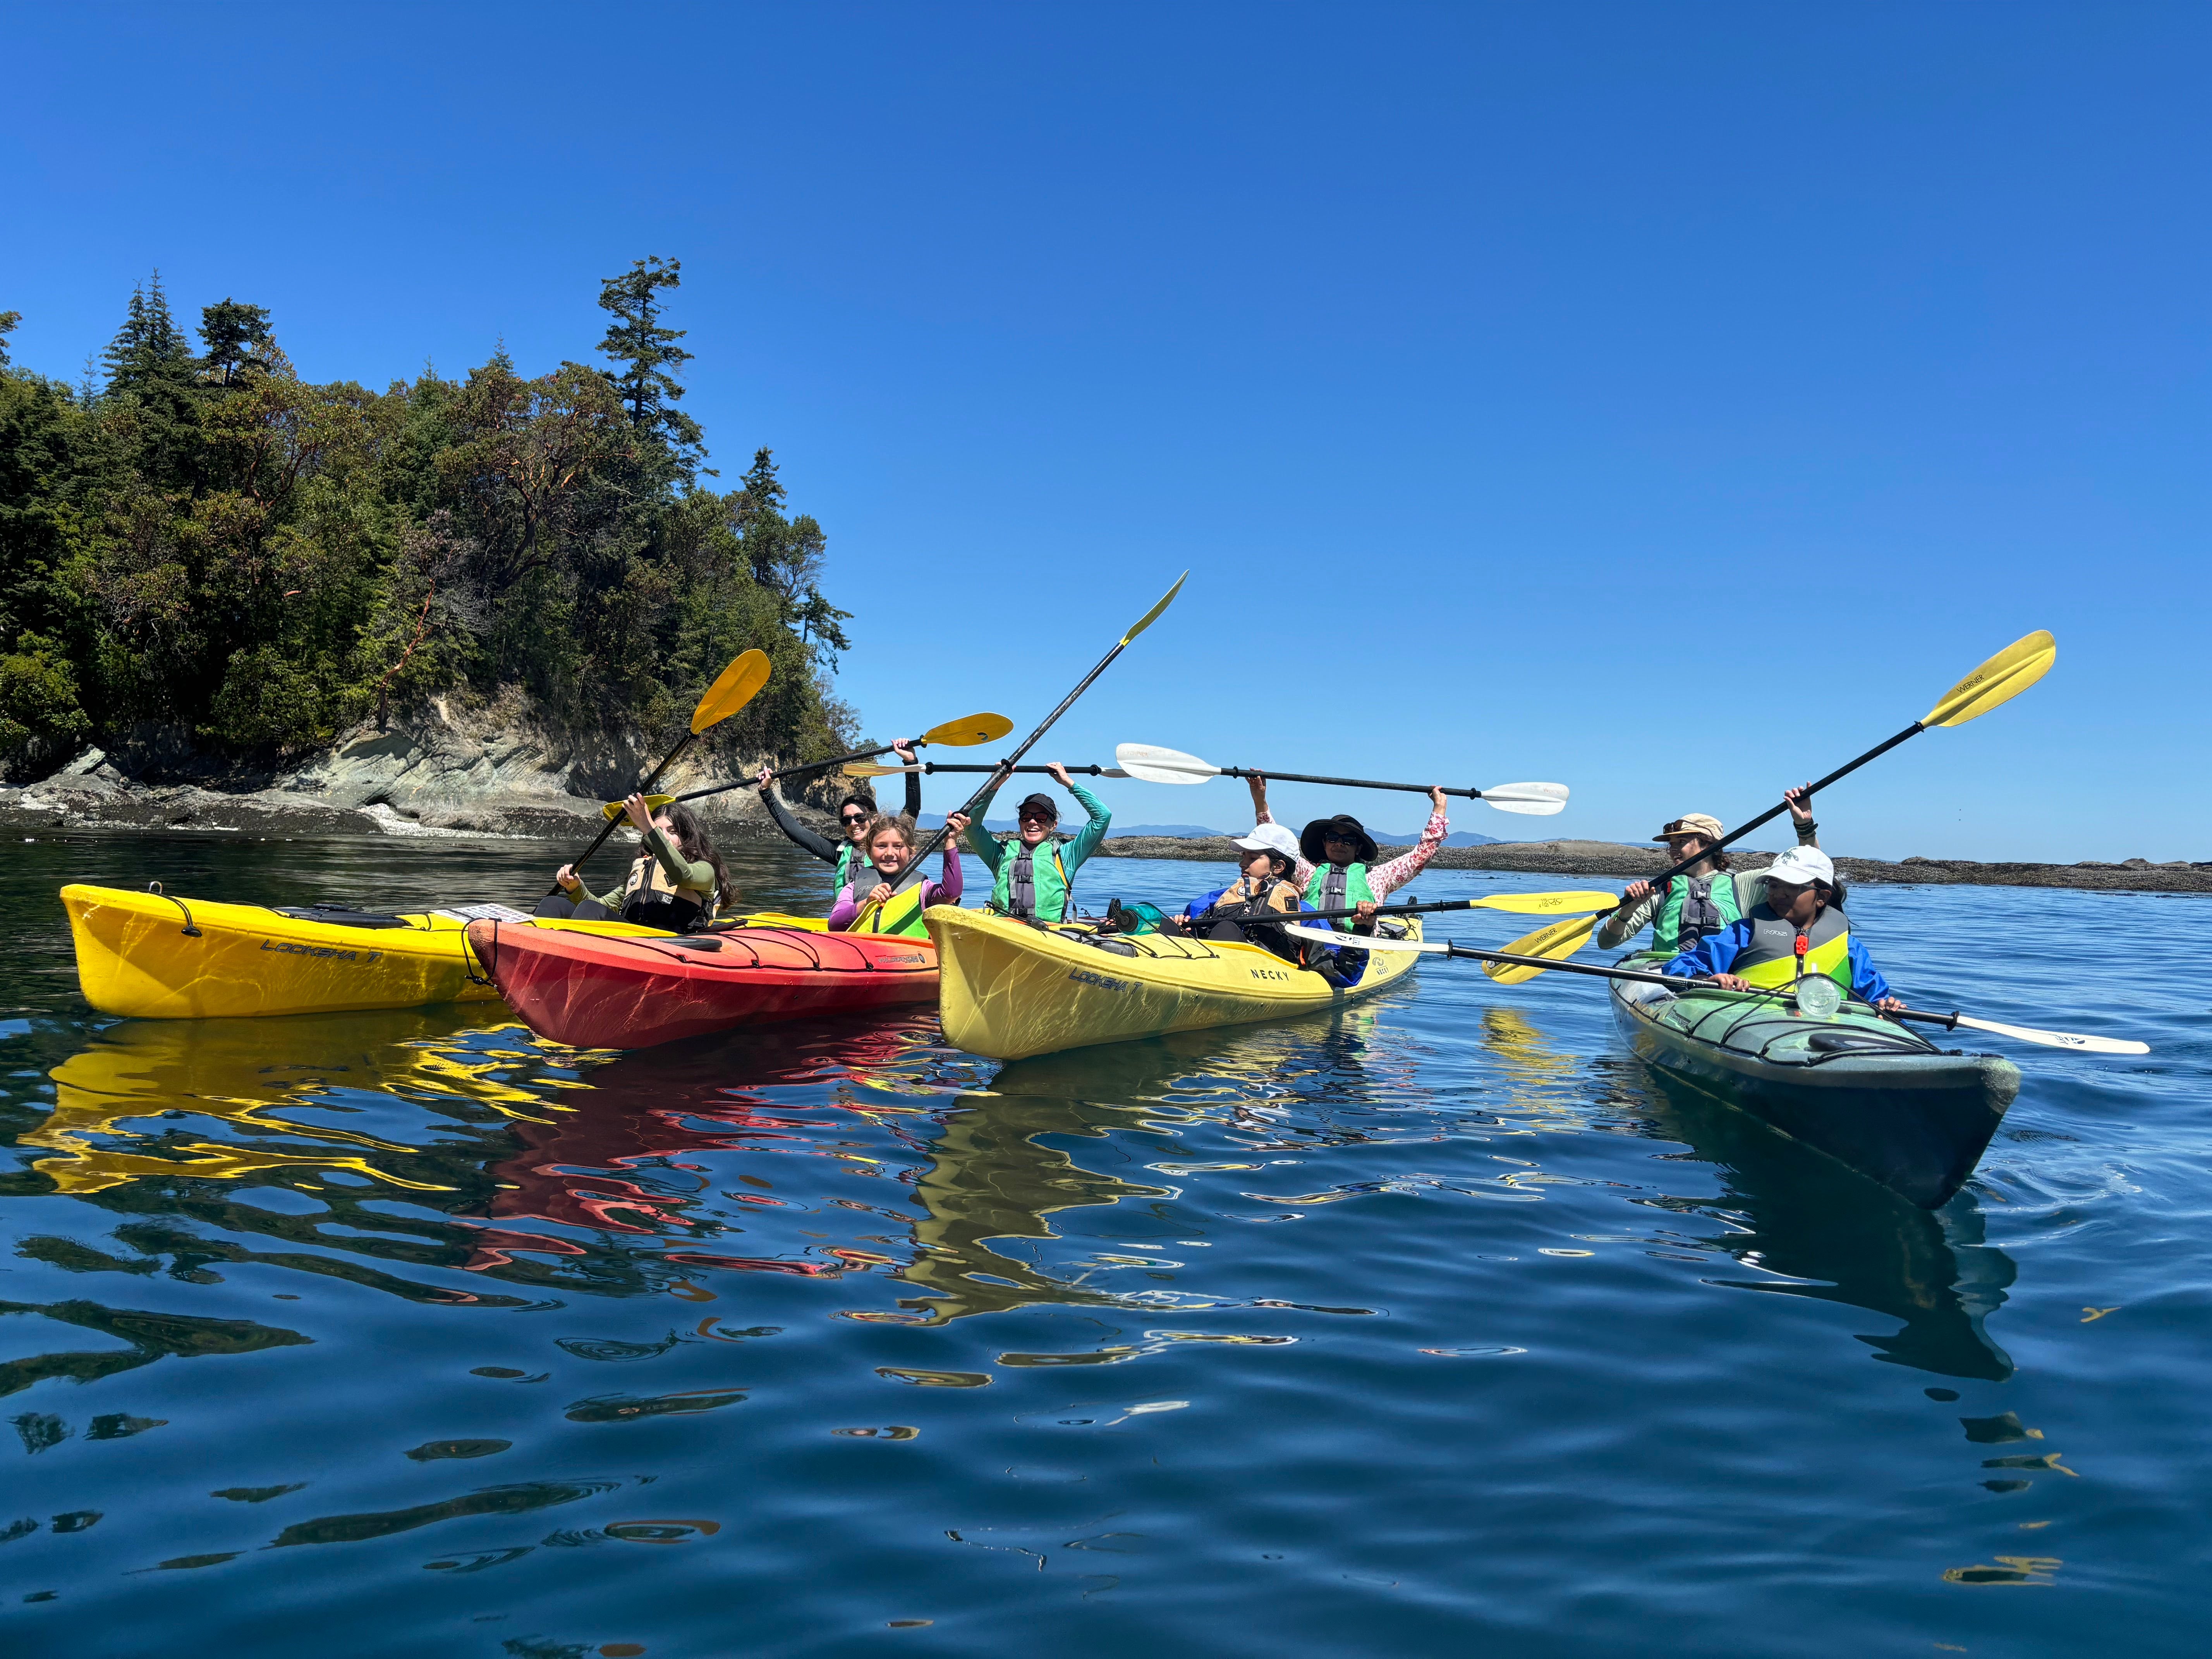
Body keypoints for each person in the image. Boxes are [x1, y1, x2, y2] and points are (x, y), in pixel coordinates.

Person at [1659, 845, 1903, 1013]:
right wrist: (1708, 978)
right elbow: (1679, 966)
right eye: (1773, 885)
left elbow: (1874, 997)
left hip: (1829, 1029)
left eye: (1792, 887)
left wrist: (1886, 1006)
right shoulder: (1743, 932)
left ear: (1822, 897)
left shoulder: (1850, 948)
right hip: (1748, 1024)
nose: (1778, 894)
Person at [1596, 787, 1821, 955]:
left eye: (1681, 841)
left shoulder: (1743, 885)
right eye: (1671, 844)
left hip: (1722, 980)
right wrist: (1630, 907)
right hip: (1667, 976)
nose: (1673, 849)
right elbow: (1606, 943)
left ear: (1707, 845)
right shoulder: (1659, 890)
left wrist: (1804, 827)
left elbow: (1809, 868)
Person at [541, 794, 735, 932]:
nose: (665, 837)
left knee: (590, 911)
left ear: (687, 836)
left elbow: (682, 874)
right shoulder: (640, 871)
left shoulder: (704, 870)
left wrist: (648, 826)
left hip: (669, 943)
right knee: (552, 904)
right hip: (633, 940)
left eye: (672, 831)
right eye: (659, 830)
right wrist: (576, 888)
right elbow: (601, 905)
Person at [1160, 822, 1337, 973]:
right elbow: (1194, 926)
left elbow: (1337, 964)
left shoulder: (1303, 912)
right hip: (1209, 962)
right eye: (1244, 856)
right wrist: (1183, 925)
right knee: (1165, 925)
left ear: (1278, 867)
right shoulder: (1214, 900)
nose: (1242, 864)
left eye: (1253, 858)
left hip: (1262, 972)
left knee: (1226, 929)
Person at [757, 740, 923, 890]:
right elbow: (797, 833)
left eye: (859, 818)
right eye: (846, 820)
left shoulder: (893, 845)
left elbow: (912, 809)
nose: (853, 824)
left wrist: (910, 763)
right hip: (850, 919)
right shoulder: (839, 851)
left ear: (875, 818)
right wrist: (766, 792)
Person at [962, 761, 1112, 922]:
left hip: (1048, 932)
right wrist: (994, 785)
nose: (1033, 822)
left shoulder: (1066, 855)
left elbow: (1103, 817)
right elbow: (972, 826)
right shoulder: (1000, 853)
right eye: (1026, 817)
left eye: (1041, 818)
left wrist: (1068, 782)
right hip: (1005, 927)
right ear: (1020, 822)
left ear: (1054, 825)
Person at [828, 812, 969, 938]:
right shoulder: (855, 887)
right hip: (865, 959)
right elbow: (834, 924)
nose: (890, 853)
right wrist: (866, 904)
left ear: (911, 852)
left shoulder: (923, 889)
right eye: (882, 846)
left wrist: (950, 841)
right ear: (869, 852)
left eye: (898, 846)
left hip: (910, 960)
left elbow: (952, 892)